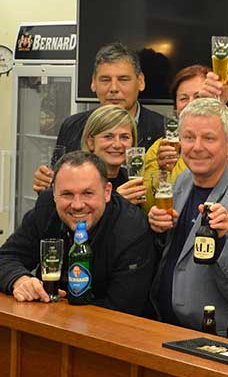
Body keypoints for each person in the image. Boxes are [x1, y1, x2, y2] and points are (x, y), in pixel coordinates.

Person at [148, 98, 228, 332]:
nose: (197, 147)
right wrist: (158, 229)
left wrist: (220, 243)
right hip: (163, 325)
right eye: (189, 137)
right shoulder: (182, 181)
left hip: (207, 336)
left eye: (209, 138)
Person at [0, 151, 155, 317]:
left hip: (105, 327)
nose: (77, 205)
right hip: (46, 320)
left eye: (88, 193)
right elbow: (6, 258)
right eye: (67, 194)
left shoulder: (133, 229)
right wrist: (20, 280)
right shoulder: (46, 209)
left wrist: (59, 313)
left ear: (107, 192)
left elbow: (122, 312)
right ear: (54, 194)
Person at [32, 42, 165, 192]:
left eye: (123, 79)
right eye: (105, 80)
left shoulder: (162, 130)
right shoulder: (72, 126)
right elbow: (59, 189)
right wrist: (47, 187)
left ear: (140, 82)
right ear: (93, 83)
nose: (113, 88)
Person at [141, 65, 228, 211]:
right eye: (183, 98)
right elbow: (147, 204)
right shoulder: (160, 146)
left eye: (198, 97)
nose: (191, 103)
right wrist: (163, 173)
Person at [79, 104, 146, 204]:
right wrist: (116, 203)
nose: (117, 145)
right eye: (108, 137)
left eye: (124, 137)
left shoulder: (130, 180)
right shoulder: (77, 179)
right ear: (91, 142)